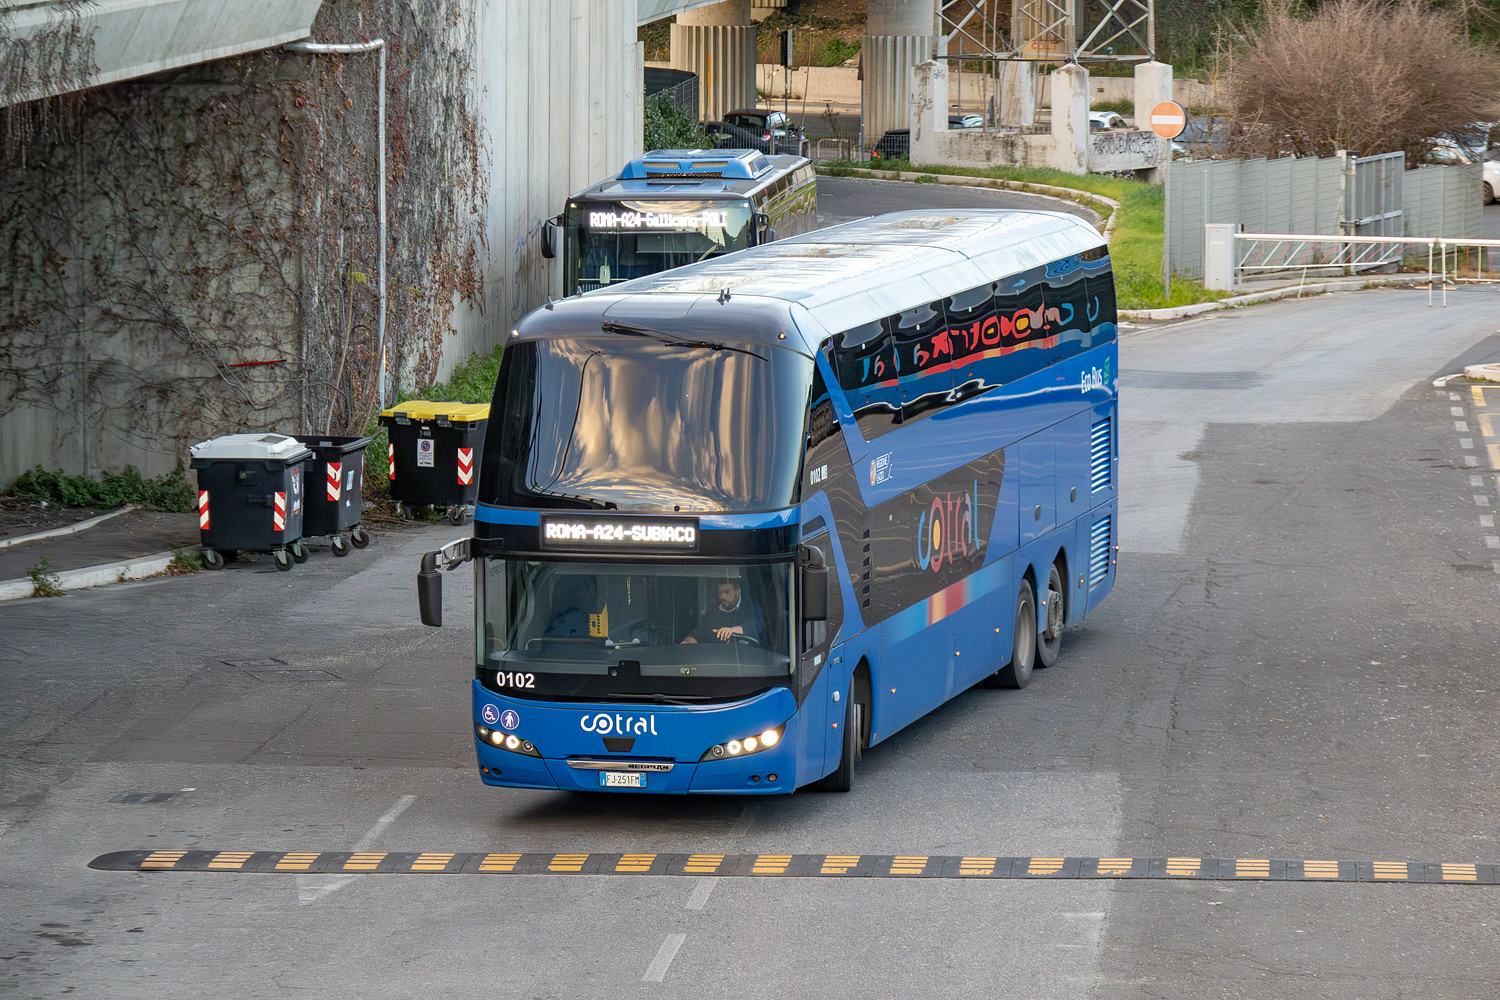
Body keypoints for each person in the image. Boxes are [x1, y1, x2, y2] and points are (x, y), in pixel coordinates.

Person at [681, 579, 766, 645]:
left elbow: (757, 626)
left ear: (737, 591)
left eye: (727, 592)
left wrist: (733, 630)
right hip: (717, 662)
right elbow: (697, 634)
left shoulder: (751, 607)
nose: (722, 596)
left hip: (745, 661)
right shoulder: (712, 614)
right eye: (720, 592)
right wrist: (688, 642)